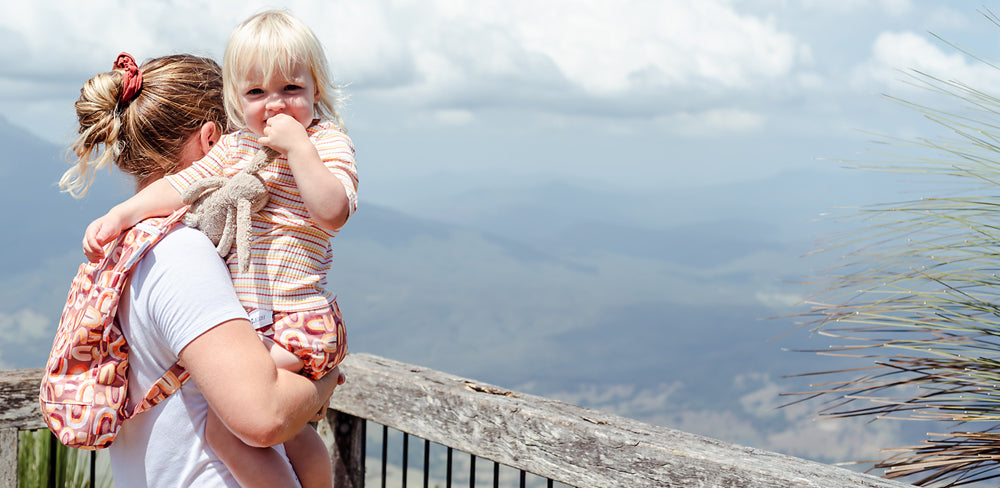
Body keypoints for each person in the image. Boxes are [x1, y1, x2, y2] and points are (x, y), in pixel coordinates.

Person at [81, 11, 358, 488]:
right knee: (288, 429)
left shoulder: (326, 143)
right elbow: (182, 187)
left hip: (297, 319)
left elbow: (333, 211)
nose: (276, 104)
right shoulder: (235, 150)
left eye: (292, 88)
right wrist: (123, 214)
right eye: (256, 92)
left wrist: (300, 151)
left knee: (231, 427)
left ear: (317, 89)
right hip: (261, 324)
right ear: (234, 100)